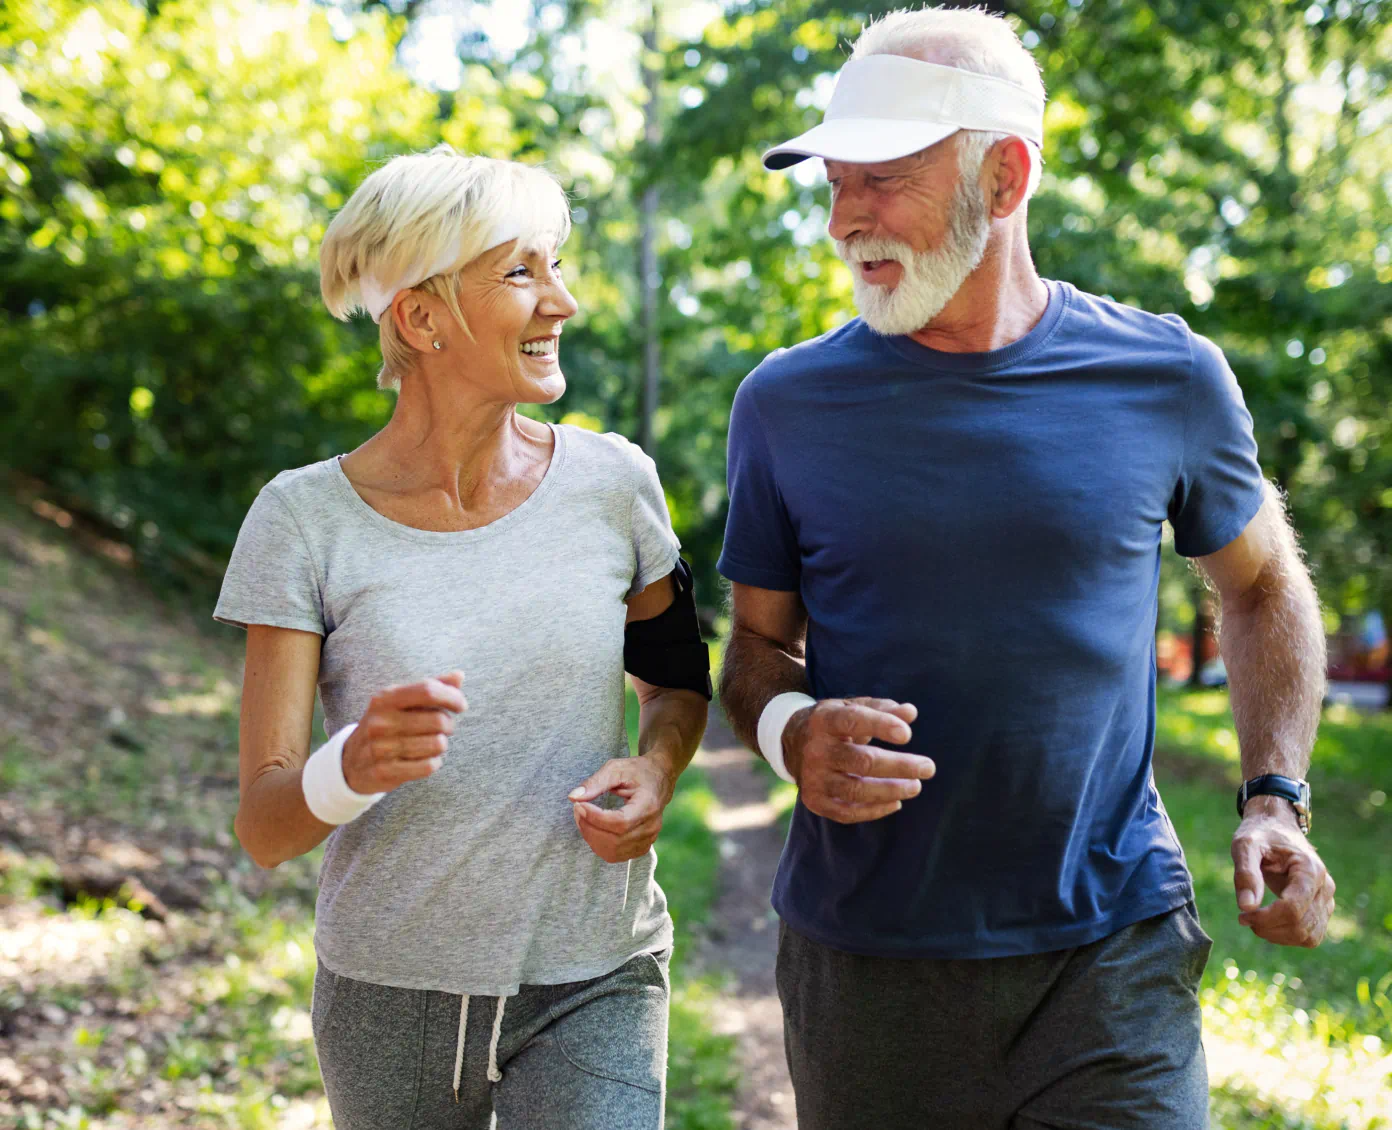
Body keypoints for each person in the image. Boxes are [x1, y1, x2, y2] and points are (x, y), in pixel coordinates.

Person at [716, 9, 1334, 1129]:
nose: (845, 220)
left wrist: (1274, 797)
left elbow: (1262, 587)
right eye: (833, 185)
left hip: (1110, 956)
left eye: (882, 182)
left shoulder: (1167, 375)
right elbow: (757, 649)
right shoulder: (783, 405)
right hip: (868, 964)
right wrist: (789, 731)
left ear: (1005, 177)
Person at [214, 145, 710, 1130]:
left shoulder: (617, 485)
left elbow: (675, 682)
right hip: (385, 994)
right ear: (422, 317)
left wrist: (657, 768)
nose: (562, 301)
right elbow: (265, 824)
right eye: (523, 272)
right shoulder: (303, 520)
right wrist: (349, 765)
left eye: (556, 265)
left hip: (596, 974)